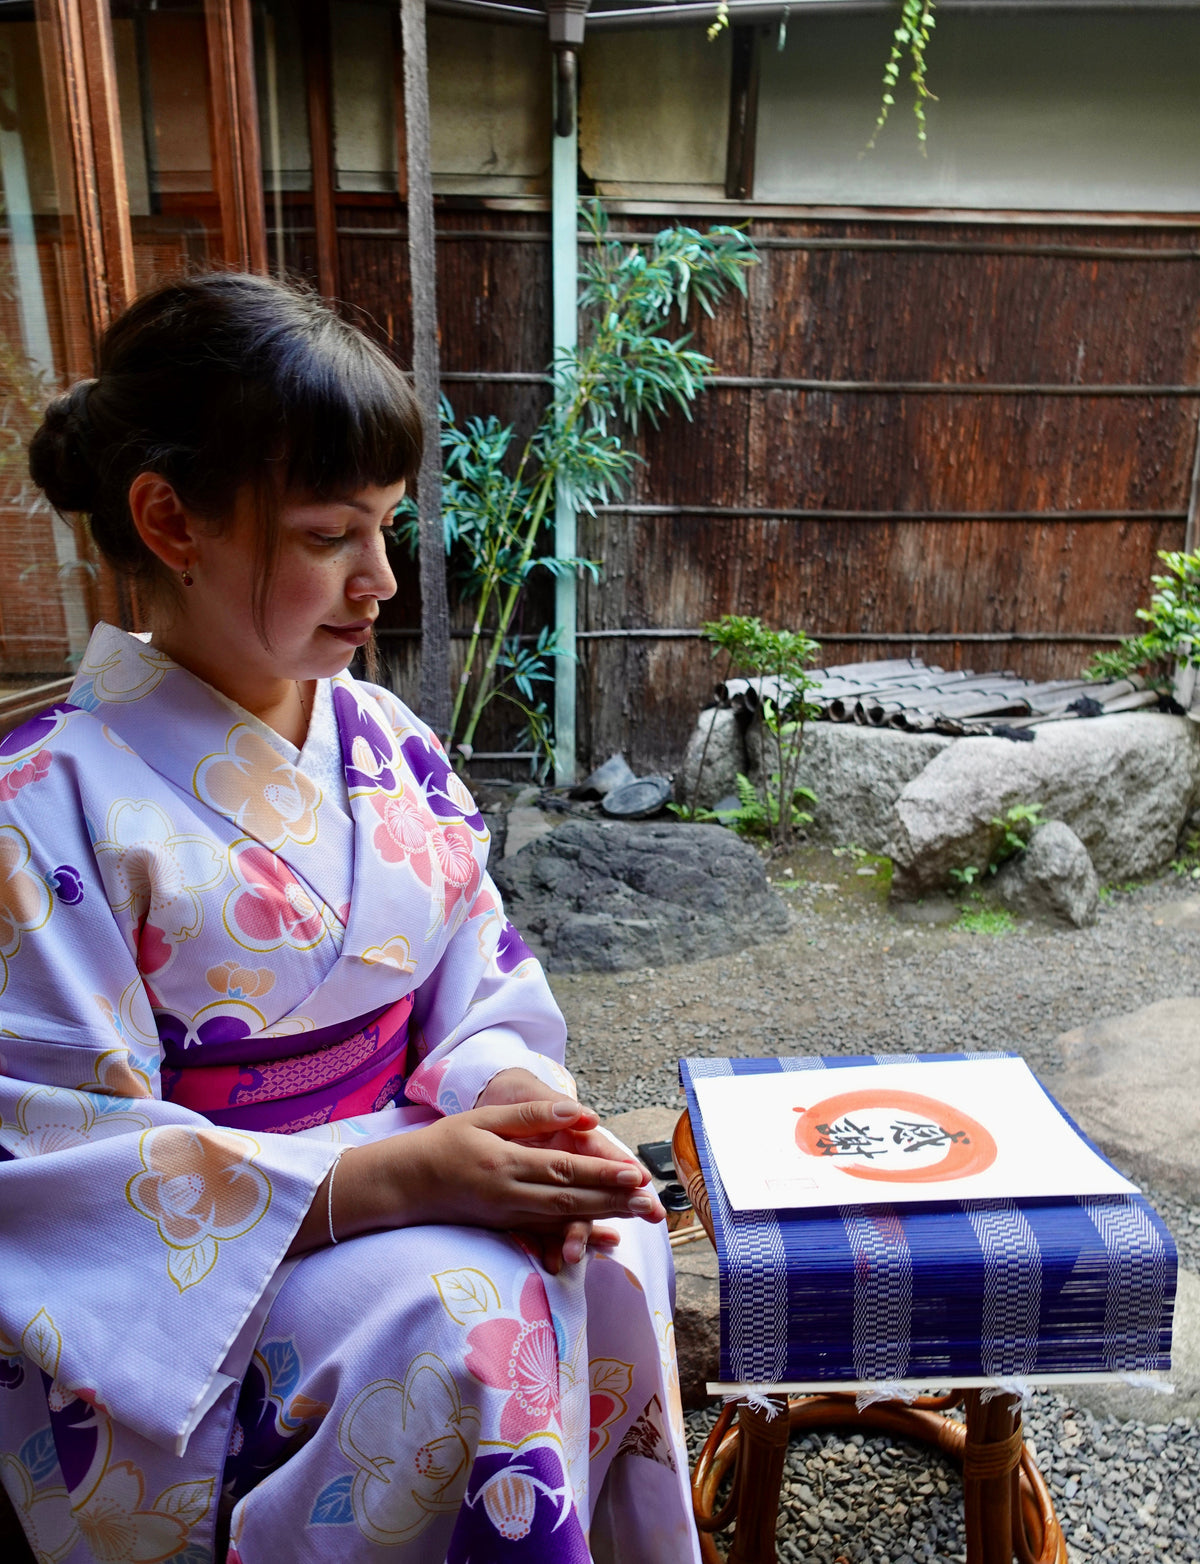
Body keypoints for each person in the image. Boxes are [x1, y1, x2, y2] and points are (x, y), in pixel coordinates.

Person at [0, 273, 698, 1563]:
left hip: (402, 1155)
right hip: (225, 1261)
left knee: (599, 1253)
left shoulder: (382, 737)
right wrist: (384, 1179)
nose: (382, 577)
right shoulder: (42, 803)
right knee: (463, 1321)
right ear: (169, 522)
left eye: (387, 525)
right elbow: (51, 1156)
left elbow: (477, 977)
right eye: (331, 534)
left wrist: (516, 1111)